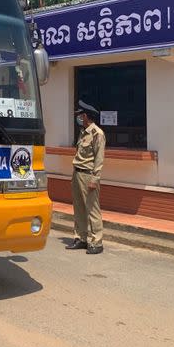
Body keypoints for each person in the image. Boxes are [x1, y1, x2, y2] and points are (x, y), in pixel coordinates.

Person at [66, 100, 106, 254]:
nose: (78, 118)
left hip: (88, 175)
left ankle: (97, 242)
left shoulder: (97, 134)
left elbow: (99, 159)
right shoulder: (83, 132)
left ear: (86, 116)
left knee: (92, 209)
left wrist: (95, 179)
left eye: (80, 115)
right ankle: (81, 238)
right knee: (79, 208)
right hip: (77, 173)